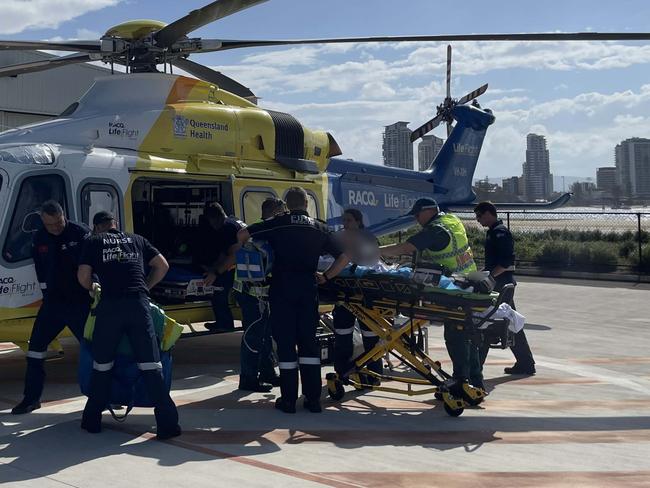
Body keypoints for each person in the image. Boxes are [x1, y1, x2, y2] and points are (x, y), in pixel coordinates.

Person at [236, 187, 349, 414]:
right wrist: (326, 276)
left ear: (287, 204)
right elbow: (345, 256)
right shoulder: (320, 227)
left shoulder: (278, 223)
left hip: (282, 289)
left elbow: (242, 235)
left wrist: (257, 256)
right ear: (307, 204)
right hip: (308, 289)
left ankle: (288, 400)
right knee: (308, 344)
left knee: (286, 344)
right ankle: (313, 399)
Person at [77, 211, 180, 438]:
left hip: (110, 307)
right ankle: (168, 425)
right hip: (138, 305)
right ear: (116, 225)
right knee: (151, 367)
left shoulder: (94, 241)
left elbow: (83, 275)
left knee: (102, 365)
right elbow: (162, 265)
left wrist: (92, 288)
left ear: (97, 228)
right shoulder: (136, 239)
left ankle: (92, 421)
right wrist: (146, 287)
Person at [379, 197, 484, 389]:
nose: (417, 220)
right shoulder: (451, 220)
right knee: (467, 335)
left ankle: (462, 381)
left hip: (454, 290)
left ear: (427, 211)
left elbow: (405, 248)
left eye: (417, 215)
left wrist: (375, 251)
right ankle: (474, 381)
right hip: (470, 282)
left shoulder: (436, 230)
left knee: (455, 336)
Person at [11, 201, 92, 415]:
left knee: (94, 350)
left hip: (79, 303)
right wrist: (46, 292)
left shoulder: (80, 233)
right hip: (53, 304)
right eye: (50, 225)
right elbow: (40, 267)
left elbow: (93, 263)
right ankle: (31, 399)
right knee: (35, 350)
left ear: (63, 215)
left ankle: (106, 396)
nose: (55, 228)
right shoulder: (39, 238)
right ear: (43, 222)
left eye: (58, 222)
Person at [474, 201, 536, 375]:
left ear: (488, 213)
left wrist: (490, 278)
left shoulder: (499, 233)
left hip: (500, 286)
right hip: (499, 284)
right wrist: (483, 274)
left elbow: (506, 261)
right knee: (510, 323)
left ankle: (476, 369)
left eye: (479, 216)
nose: (478, 220)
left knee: (487, 323)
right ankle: (526, 363)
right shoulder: (493, 232)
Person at [232, 198, 285, 392]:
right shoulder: (258, 237)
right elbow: (257, 273)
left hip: (260, 296)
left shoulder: (261, 233)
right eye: (282, 213)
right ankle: (248, 378)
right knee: (253, 336)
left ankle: (268, 373)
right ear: (275, 212)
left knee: (265, 335)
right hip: (253, 296)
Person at [332, 209, 383, 383]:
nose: (345, 224)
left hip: (365, 294)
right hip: (344, 293)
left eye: (348, 220)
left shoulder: (368, 238)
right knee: (342, 336)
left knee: (371, 337)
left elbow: (373, 261)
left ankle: (374, 376)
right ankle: (343, 375)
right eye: (343, 220)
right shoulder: (337, 238)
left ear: (358, 221)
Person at [201, 203, 245, 332]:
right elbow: (225, 252)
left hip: (239, 268)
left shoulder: (227, 228)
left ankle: (225, 324)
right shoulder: (232, 222)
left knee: (219, 289)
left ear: (214, 218)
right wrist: (213, 267)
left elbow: (234, 255)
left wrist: (216, 272)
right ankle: (222, 321)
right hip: (245, 267)